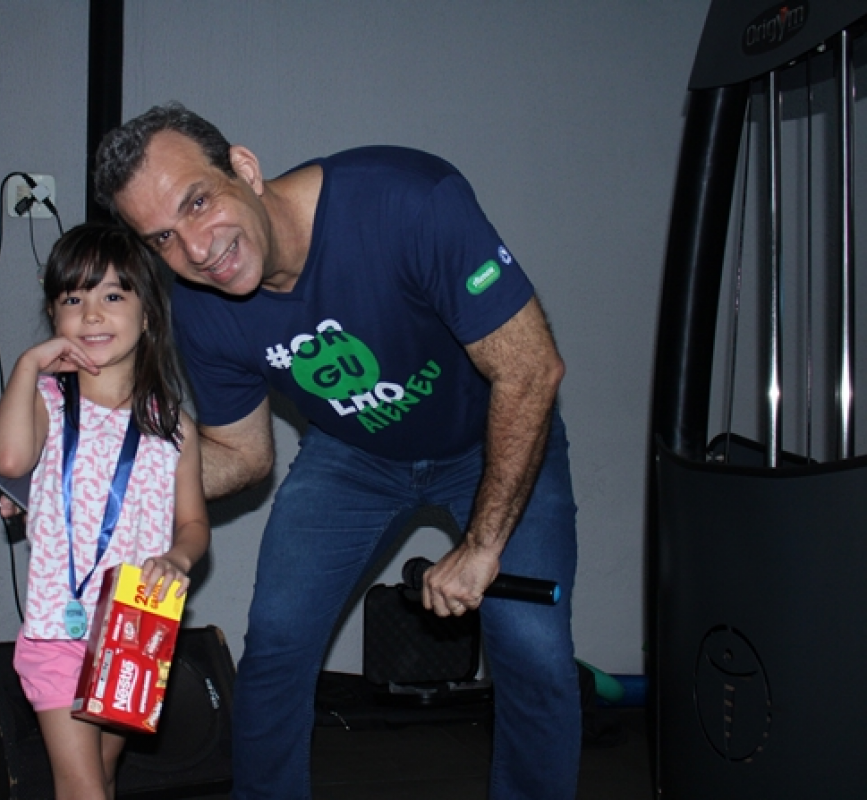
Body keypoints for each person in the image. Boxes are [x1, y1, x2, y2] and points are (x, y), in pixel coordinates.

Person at [86, 102, 582, 800]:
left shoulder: (407, 203)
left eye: (197, 202)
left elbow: (530, 370)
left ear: (243, 168)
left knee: (533, 650)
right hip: (353, 456)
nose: (196, 249)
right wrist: (108, 482)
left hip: (494, 438)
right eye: (163, 237)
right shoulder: (200, 308)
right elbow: (241, 455)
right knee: (277, 645)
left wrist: (481, 546)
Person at [0, 221, 210, 800]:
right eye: (72, 299)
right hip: (56, 631)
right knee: (82, 787)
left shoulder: (173, 429)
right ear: (53, 316)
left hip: (133, 631)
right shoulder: (46, 402)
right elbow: (8, 460)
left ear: (148, 313)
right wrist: (28, 367)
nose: (91, 314)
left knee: (104, 778)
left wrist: (178, 559)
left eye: (113, 295)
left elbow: (193, 524)